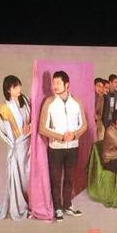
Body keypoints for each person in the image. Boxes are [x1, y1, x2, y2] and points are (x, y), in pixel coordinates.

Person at [38, 70, 88, 222]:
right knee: (56, 180)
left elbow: (84, 125)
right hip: (55, 149)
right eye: (53, 83)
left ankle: (67, 205)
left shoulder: (77, 102)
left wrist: (74, 135)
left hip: (73, 147)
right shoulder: (49, 102)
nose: (55, 86)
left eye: (58, 83)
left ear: (67, 84)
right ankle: (58, 208)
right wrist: (60, 137)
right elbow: (42, 128)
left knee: (69, 178)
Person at [0, 75, 32, 220]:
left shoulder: (25, 100)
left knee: (30, 174)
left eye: (18, 85)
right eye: (14, 87)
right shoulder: (4, 107)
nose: (18, 89)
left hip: (30, 142)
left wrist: (30, 125)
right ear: (8, 90)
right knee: (19, 176)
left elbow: (33, 117)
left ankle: (33, 203)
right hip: (17, 145)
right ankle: (20, 206)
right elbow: (6, 129)